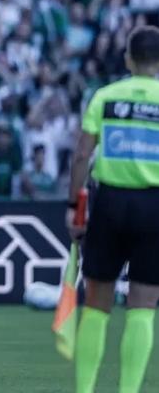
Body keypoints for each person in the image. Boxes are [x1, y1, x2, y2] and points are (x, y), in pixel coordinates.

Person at [68, 25, 159, 393]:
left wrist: (74, 206)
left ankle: (86, 390)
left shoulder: (105, 96)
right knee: (143, 304)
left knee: (97, 302)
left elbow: (81, 156)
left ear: (127, 58)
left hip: (110, 204)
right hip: (154, 204)